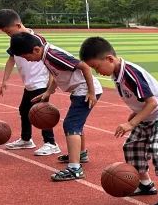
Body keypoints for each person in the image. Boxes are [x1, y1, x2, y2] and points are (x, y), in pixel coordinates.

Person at [80, 36, 158, 205]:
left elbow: (152, 102)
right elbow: (141, 101)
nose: (97, 72)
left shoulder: (130, 73)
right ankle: (146, 184)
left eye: (96, 67)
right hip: (148, 115)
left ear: (109, 59)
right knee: (131, 146)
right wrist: (135, 115)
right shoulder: (117, 74)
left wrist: (131, 123)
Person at [7, 31, 103, 182]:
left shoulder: (53, 55)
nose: (28, 61)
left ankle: (75, 168)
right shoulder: (46, 56)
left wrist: (91, 92)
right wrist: (49, 91)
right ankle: (80, 154)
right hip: (81, 90)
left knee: (71, 124)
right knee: (76, 123)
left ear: (36, 50)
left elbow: (85, 67)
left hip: (85, 90)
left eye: (27, 57)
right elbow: (57, 74)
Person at [0, 9, 59, 156]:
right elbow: (11, 58)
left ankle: (51, 143)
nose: (8, 35)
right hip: (29, 84)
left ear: (17, 25)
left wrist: (50, 85)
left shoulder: (37, 40)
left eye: (8, 32)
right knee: (24, 110)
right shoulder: (16, 40)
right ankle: (26, 139)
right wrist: (5, 80)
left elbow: (48, 61)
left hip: (41, 84)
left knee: (42, 113)